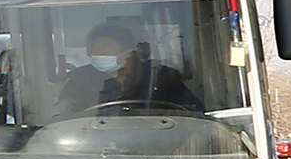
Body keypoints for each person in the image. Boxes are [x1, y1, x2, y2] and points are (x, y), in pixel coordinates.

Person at [55, 22, 201, 119]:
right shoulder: (79, 78)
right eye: (94, 48)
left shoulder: (162, 76)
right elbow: (64, 109)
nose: (99, 52)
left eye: (106, 46)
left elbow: (192, 111)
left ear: (129, 50)